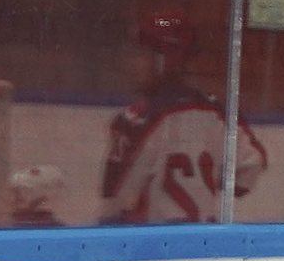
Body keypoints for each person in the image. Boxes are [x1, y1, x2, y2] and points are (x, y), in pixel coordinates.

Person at [99, 13, 266, 224]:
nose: (131, 64)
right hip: (203, 244)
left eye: (141, 55)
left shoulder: (138, 118)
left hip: (152, 245)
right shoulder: (218, 113)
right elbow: (252, 165)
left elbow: (115, 197)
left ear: (166, 60)